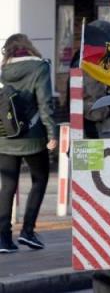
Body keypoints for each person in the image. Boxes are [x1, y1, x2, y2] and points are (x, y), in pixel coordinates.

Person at [0, 34, 56, 253]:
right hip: (32, 136)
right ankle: (28, 232)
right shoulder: (39, 68)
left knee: (7, 186)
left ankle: (4, 239)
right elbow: (45, 103)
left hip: (5, 134)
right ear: (28, 47)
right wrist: (52, 133)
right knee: (40, 179)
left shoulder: (4, 71)